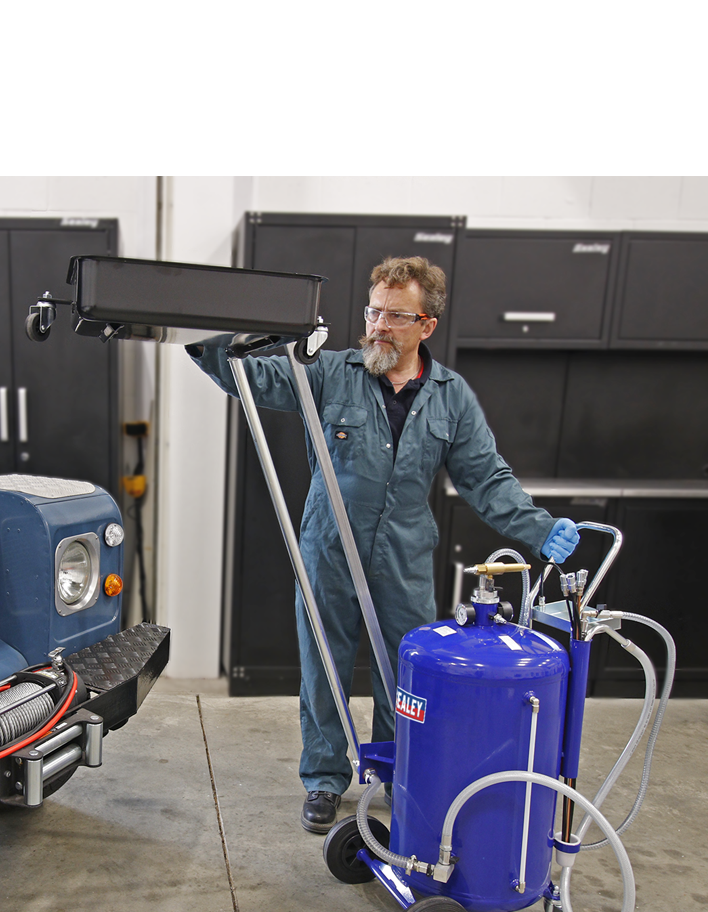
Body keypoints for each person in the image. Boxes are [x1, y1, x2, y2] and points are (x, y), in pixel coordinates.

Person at [187, 256, 580, 833]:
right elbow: (251, 377)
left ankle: (399, 773)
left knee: (407, 673)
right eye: (373, 312)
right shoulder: (327, 371)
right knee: (324, 665)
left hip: (404, 556)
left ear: (427, 325)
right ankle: (324, 779)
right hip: (329, 547)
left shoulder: (450, 396)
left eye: (396, 316)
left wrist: (538, 528)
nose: (378, 326)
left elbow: (485, 478)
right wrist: (204, 332)